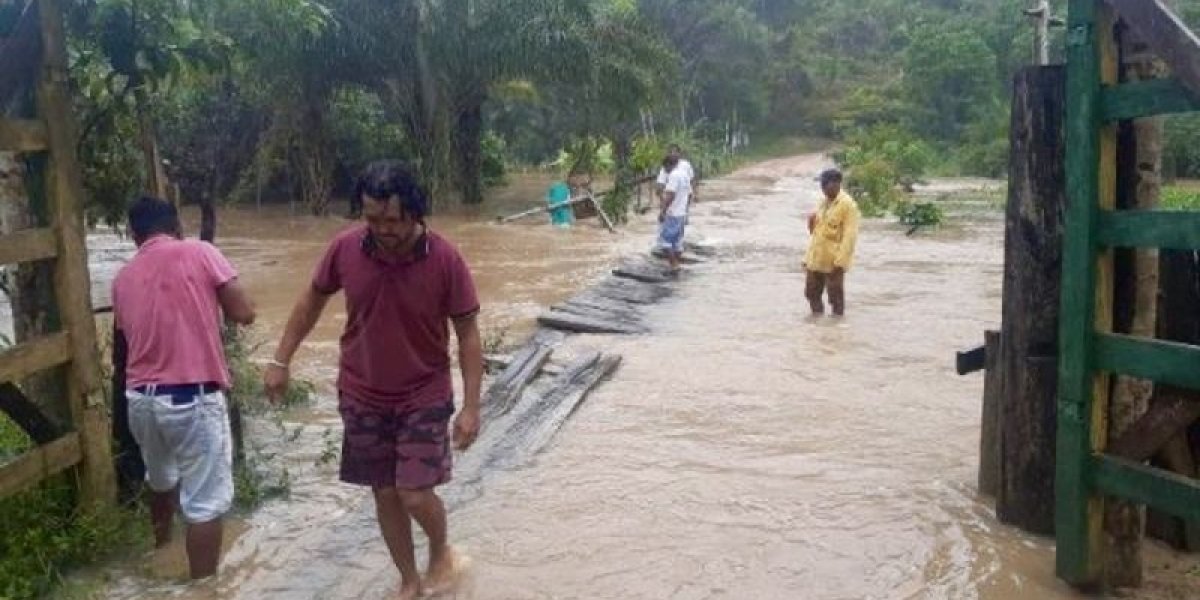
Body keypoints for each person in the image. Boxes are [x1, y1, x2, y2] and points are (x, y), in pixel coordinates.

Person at [263, 160, 483, 600]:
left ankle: (440, 550)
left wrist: (472, 406)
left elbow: (467, 333)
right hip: (362, 392)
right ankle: (409, 580)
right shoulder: (345, 249)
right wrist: (280, 360)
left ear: (415, 212)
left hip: (424, 390)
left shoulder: (444, 258)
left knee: (414, 494)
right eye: (372, 218)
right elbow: (310, 303)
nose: (383, 229)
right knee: (384, 492)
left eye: (393, 220)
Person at [112, 196, 256, 579]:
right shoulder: (201, 251)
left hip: (140, 400)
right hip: (191, 398)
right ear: (176, 226)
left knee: (160, 480)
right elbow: (244, 312)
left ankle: (161, 552)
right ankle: (203, 588)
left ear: (133, 235)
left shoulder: (123, 277)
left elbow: (127, 341)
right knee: (206, 504)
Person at [804, 168, 861, 316]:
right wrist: (807, 259)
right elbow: (816, 233)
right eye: (821, 184)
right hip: (815, 259)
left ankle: (837, 332)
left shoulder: (848, 205)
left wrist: (840, 263)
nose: (822, 188)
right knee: (811, 293)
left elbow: (850, 237)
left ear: (836, 184)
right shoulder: (822, 202)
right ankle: (817, 327)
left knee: (836, 300)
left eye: (825, 184)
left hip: (833, 262)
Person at [658, 155, 693, 274]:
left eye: (665, 168)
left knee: (665, 243)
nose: (664, 171)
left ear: (668, 165)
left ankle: (674, 265)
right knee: (677, 243)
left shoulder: (673, 176)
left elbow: (670, 195)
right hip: (681, 214)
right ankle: (676, 263)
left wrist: (663, 211)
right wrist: (686, 211)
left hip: (672, 214)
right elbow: (690, 195)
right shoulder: (684, 175)